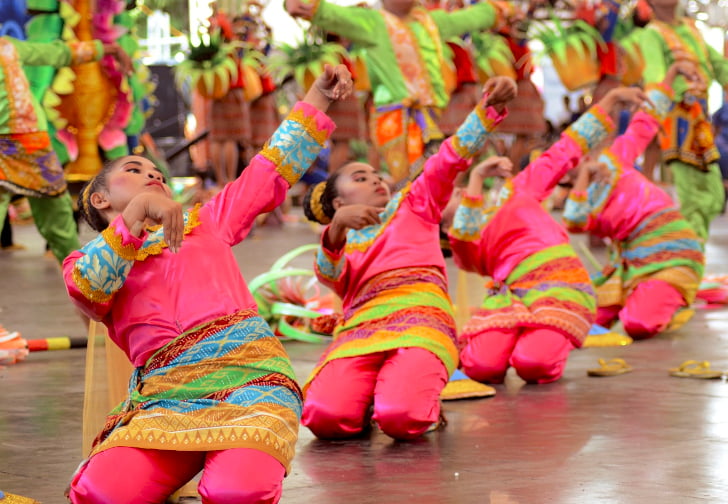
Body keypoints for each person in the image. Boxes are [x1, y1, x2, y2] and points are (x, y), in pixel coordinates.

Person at [62, 65, 353, 504]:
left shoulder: (207, 223)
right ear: (100, 199)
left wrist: (318, 95)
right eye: (135, 170)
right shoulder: (85, 262)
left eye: (156, 172)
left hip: (253, 384)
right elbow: (91, 288)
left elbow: (269, 168)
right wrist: (135, 217)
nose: (153, 175)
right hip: (166, 401)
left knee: (235, 493)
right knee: (101, 494)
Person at [300, 76, 516, 440]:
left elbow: (447, 160)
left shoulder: (414, 204)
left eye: (375, 175)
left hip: (421, 318)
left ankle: (409, 392)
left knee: (402, 418)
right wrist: (336, 230)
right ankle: (371, 395)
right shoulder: (339, 237)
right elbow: (332, 278)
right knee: (324, 418)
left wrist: (487, 109)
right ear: (338, 204)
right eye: (360, 177)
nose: (375, 180)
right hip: (361, 327)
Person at [285, 0, 516, 184]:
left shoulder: (430, 21)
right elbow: (333, 14)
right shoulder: (372, 21)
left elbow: (468, 19)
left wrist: (502, 8)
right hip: (393, 117)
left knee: (435, 176)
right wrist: (303, 5)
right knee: (408, 180)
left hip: (431, 115)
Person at [562, 62, 705, 339]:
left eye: (576, 158)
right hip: (631, 267)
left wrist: (672, 72)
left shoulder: (614, 160)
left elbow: (645, 122)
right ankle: (641, 298)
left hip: (672, 257)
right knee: (585, 322)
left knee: (638, 325)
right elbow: (574, 222)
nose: (573, 163)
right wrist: (583, 179)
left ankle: (666, 300)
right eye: (567, 165)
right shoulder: (579, 198)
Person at [0, 36, 131, 264]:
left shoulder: (7, 46)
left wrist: (106, 47)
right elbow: (56, 53)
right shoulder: (7, 47)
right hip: (23, 142)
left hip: (31, 144)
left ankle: (80, 272)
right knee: (57, 213)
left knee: (57, 212)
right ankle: (80, 269)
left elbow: (55, 53)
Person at [639, 0, 728, 242]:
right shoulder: (652, 34)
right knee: (692, 194)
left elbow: (720, 68)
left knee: (713, 193)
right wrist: (675, 73)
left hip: (700, 118)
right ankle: (689, 254)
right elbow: (655, 81)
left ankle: (688, 248)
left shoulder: (691, 28)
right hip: (676, 117)